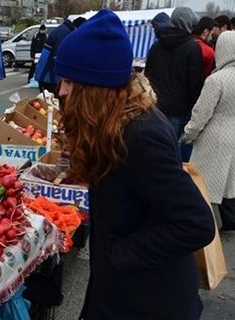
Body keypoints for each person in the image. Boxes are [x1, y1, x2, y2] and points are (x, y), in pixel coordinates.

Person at [54, 9, 215, 320]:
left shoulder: (141, 136)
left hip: (148, 300)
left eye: (70, 81)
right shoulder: (116, 123)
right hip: (121, 289)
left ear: (95, 87)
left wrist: (119, 255)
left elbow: (196, 223)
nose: (61, 90)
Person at [182, 31, 235, 233]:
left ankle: (207, 224)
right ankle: (227, 221)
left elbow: (201, 113)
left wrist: (188, 134)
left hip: (214, 136)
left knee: (205, 183)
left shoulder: (216, 80)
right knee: (228, 181)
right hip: (233, 134)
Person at [144, 6, 204, 162]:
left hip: (155, 107)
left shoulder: (156, 46)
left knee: (153, 150)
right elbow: (194, 83)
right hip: (180, 110)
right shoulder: (192, 48)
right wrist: (194, 109)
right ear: (188, 24)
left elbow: (147, 76)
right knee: (173, 155)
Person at [34, 18, 77, 94]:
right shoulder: (64, 33)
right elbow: (58, 57)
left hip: (47, 75)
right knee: (51, 102)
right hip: (48, 76)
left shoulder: (64, 29)